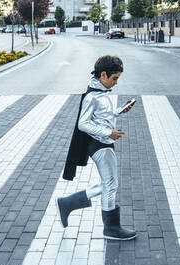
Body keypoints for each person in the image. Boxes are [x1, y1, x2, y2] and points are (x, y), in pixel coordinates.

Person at [57, 55, 137, 241]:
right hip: (99, 144)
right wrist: (108, 133)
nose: (116, 83)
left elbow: (102, 115)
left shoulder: (101, 93)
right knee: (110, 185)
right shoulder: (92, 96)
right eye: (114, 78)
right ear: (103, 75)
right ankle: (111, 229)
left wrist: (118, 111)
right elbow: (82, 124)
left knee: (109, 183)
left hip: (104, 142)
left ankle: (67, 203)